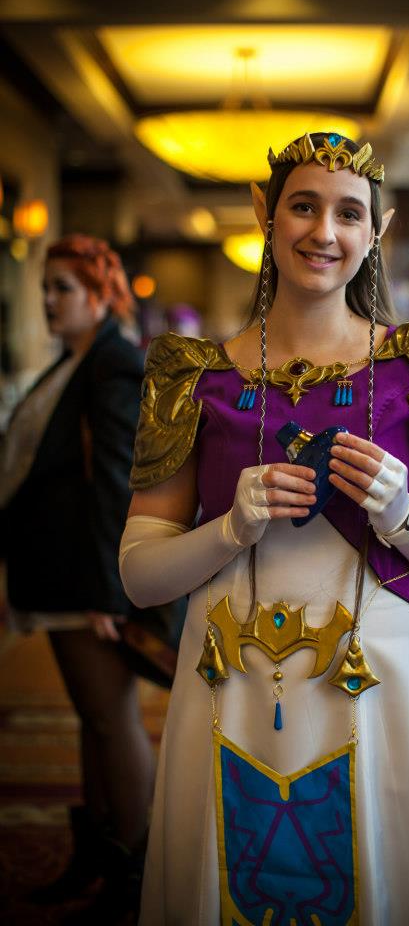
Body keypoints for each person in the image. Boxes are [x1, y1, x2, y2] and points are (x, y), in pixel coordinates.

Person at [119, 131, 409, 925]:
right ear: (264, 214)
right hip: (227, 683)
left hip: (386, 687)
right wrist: (229, 528)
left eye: (348, 213)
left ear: (378, 231)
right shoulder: (191, 376)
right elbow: (138, 574)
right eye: (303, 206)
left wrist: (404, 516)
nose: (323, 232)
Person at [0, 234, 175, 925]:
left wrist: (111, 590)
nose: (49, 300)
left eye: (63, 288)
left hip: (88, 579)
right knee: (93, 719)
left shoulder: (113, 363)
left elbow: (117, 482)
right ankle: (99, 855)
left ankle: (135, 876)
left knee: (111, 717)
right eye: (45, 287)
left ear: (101, 295)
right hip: (64, 573)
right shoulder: (75, 360)